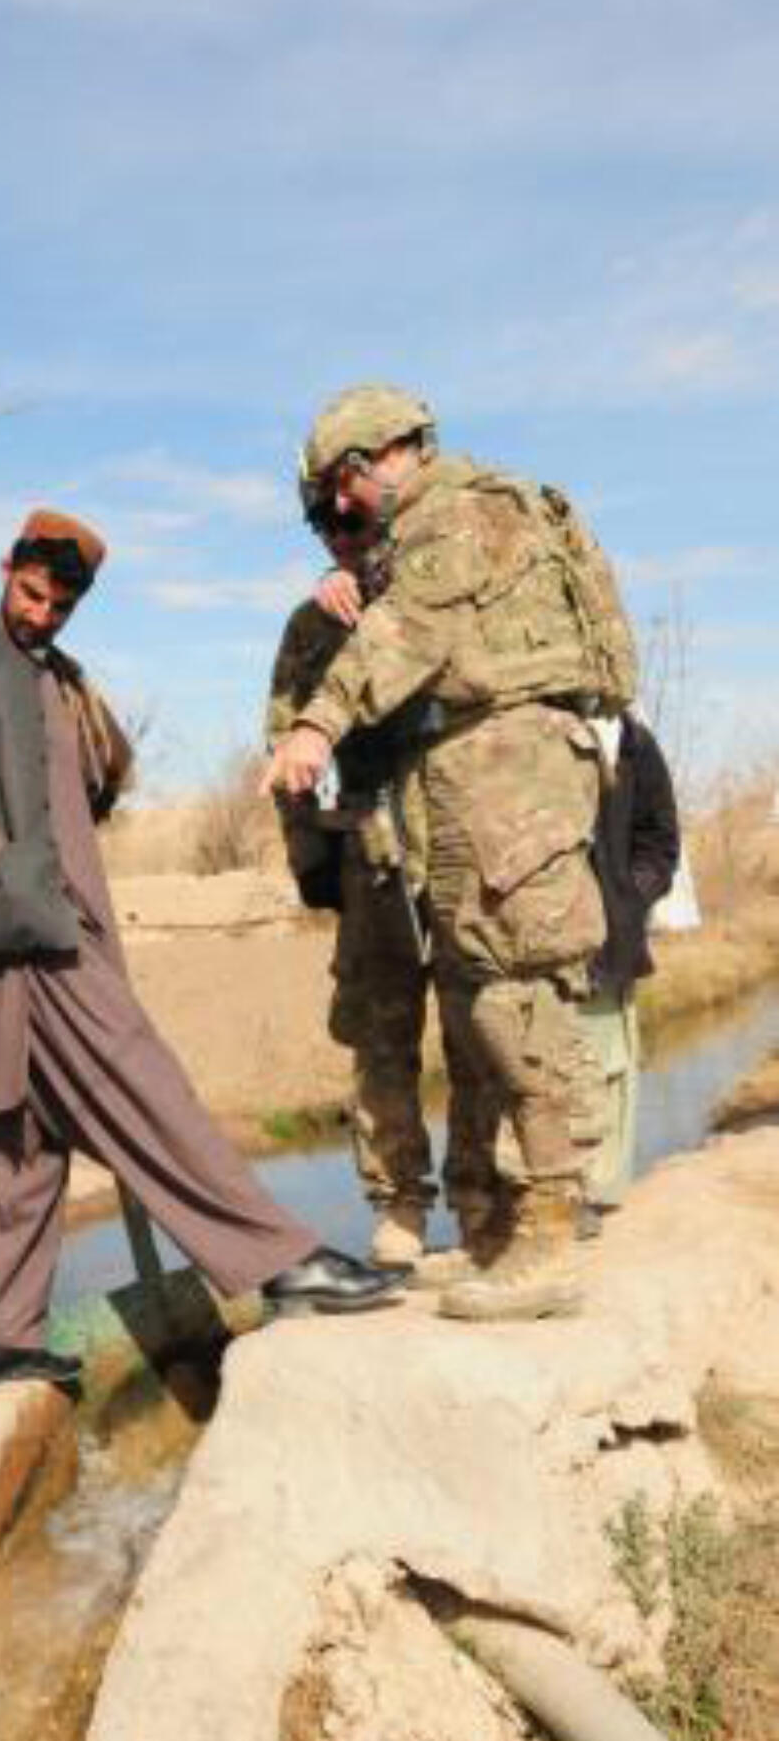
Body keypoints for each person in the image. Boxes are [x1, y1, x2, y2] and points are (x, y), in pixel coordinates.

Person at [0, 507, 406, 1391]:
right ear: (4, 567)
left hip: (52, 932)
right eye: (31, 592)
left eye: (59, 605)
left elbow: (88, 793)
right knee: (150, 1091)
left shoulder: (55, 676)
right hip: (24, 939)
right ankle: (281, 1263)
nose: (40, 613)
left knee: (22, 1138)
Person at [265, 383, 639, 1321]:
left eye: (343, 500)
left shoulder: (461, 515)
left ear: (367, 464)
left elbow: (409, 631)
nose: (344, 524)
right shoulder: (455, 522)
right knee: (487, 998)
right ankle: (515, 1232)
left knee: (515, 1000)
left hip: (507, 789)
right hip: (474, 798)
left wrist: (317, 725)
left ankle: (543, 1235)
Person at [266, 485, 499, 1272]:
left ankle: (479, 1199)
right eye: (323, 526)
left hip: (464, 839)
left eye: (353, 521)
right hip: (370, 854)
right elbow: (284, 743)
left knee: (478, 1028)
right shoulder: (308, 626)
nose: (339, 538)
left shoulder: (441, 585)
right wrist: (314, 868)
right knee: (380, 1042)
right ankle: (399, 1204)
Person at [579, 709, 679, 1224]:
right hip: (524, 945)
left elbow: (660, 840)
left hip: (606, 944)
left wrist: (625, 900)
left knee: (606, 1065)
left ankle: (592, 1192)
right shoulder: (511, 729)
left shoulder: (631, 739)